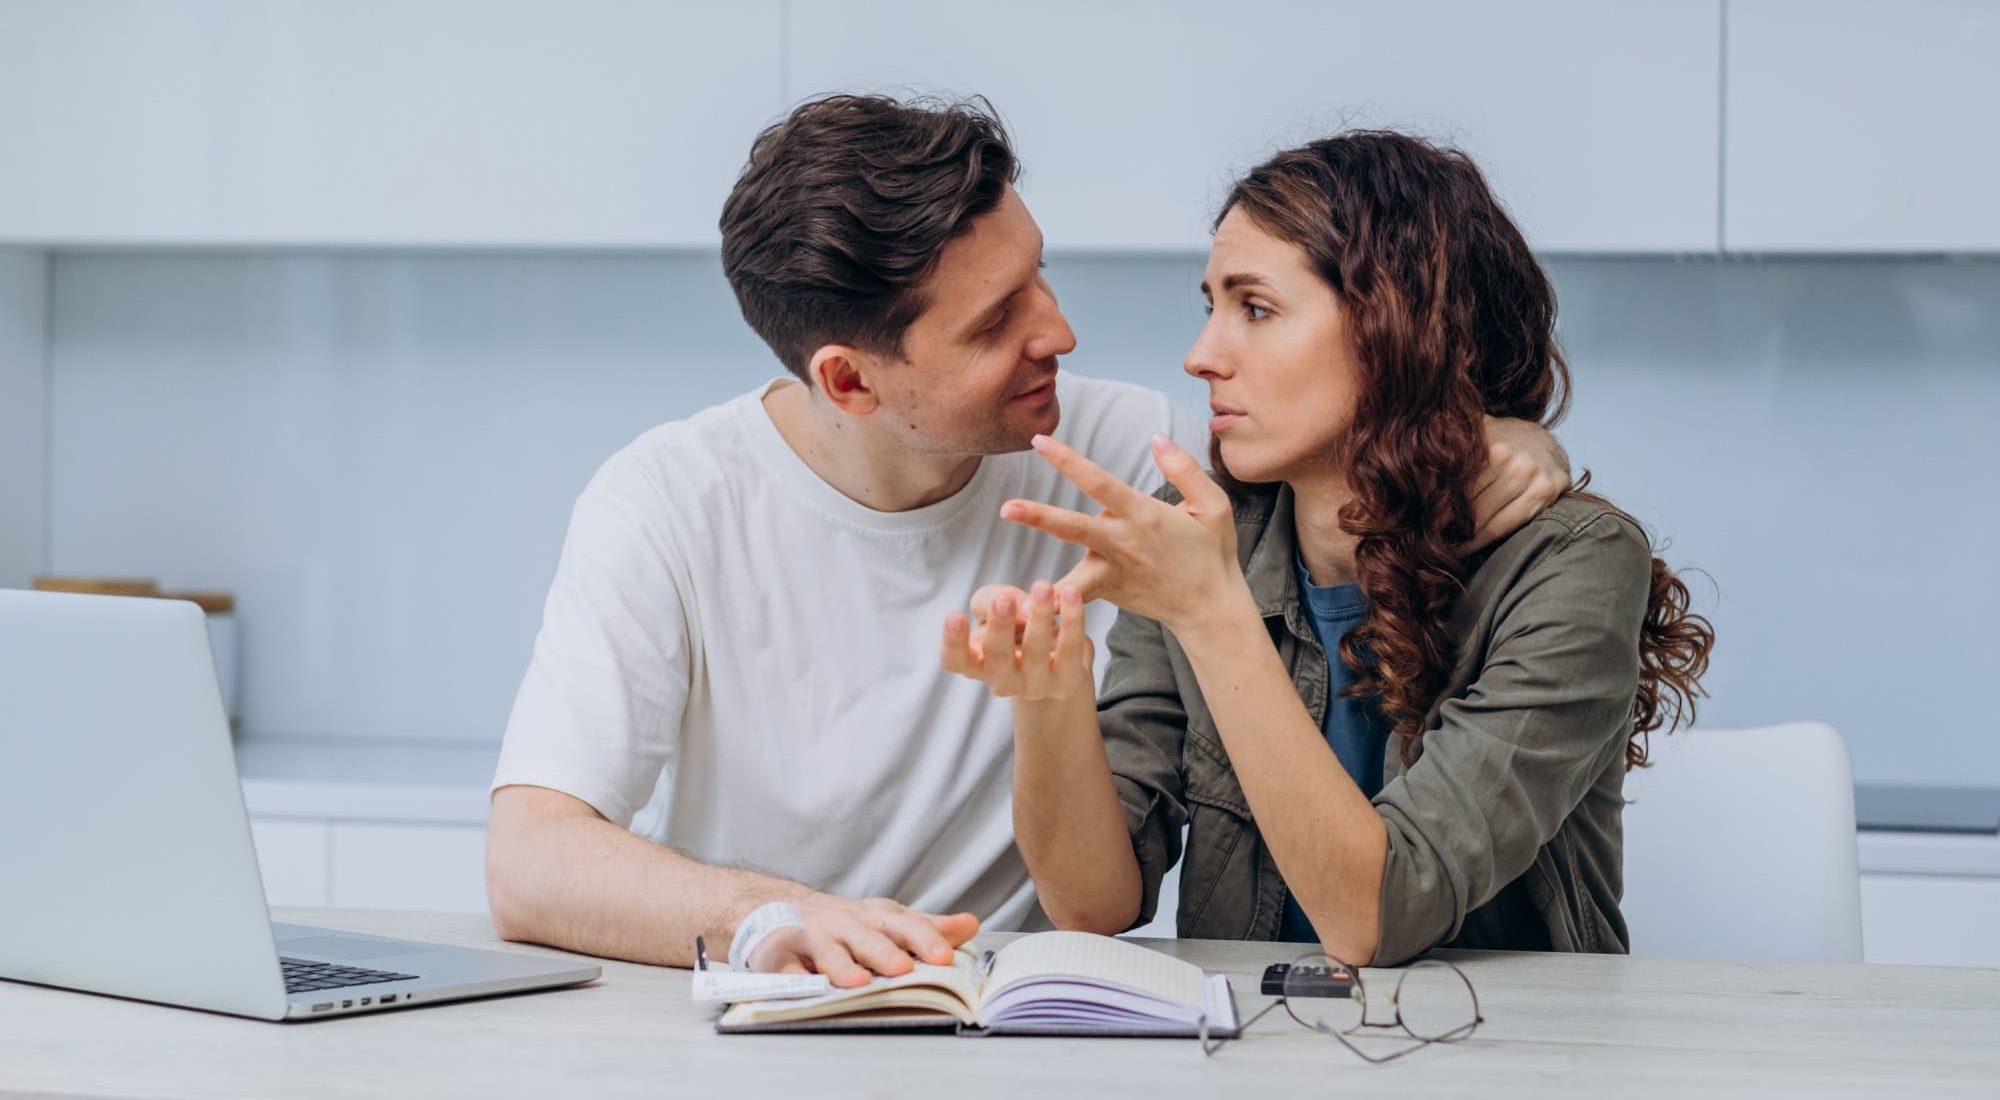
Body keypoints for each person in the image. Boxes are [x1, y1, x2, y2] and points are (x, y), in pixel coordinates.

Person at [486, 98, 1573, 984]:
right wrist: (773, 917)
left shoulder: (1121, 453)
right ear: (849, 380)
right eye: (993, 321)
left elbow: (1347, 418)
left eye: (1036, 276)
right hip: (775, 1006)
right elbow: (530, 859)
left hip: (1008, 1013)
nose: (1054, 331)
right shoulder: (668, 500)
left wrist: (1505, 435)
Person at [942, 129, 1714, 966]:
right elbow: (1096, 901)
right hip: (1253, 1046)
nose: (1202, 356)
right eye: (1211, 306)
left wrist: (1209, 610)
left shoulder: (1571, 566)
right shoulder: (1205, 532)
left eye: (1256, 308)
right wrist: (1046, 699)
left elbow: (1377, 915)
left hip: (1500, 1054)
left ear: (1396, 328)